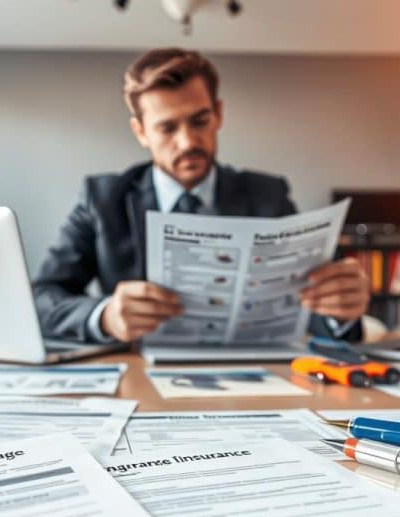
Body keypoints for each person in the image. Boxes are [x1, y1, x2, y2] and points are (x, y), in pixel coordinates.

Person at [33, 47, 369, 344]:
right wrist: (105, 316)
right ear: (141, 132)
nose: (188, 142)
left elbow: (309, 309)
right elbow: (42, 297)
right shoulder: (102, 200)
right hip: (138, 373)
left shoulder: (269, 196)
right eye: (168, 128)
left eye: (199, 121)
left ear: (218, 114)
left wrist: (340, 312)